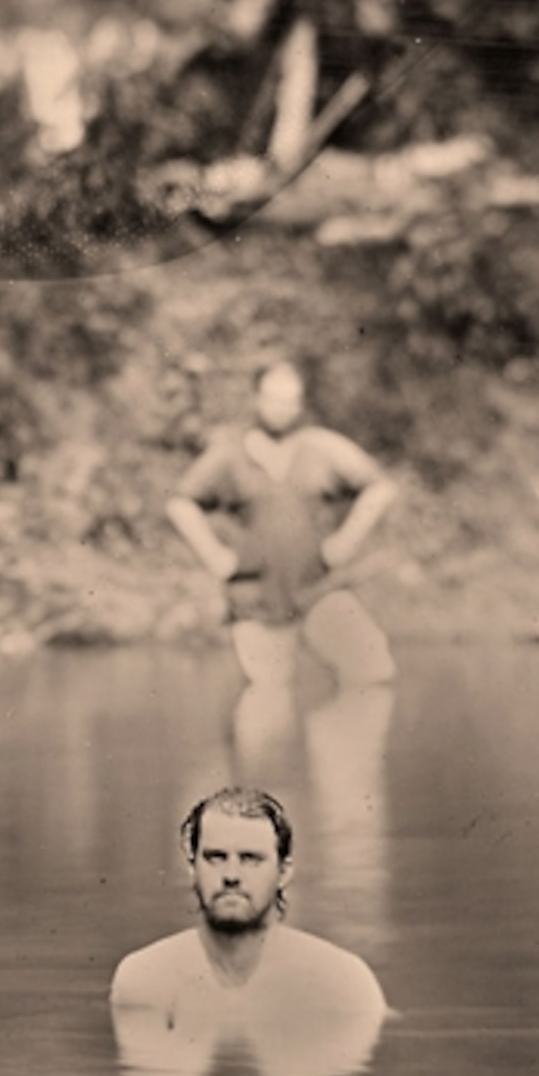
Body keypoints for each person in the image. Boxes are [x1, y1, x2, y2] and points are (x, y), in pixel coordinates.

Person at [164, 362, 399, 743]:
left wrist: (345, 543)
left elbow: (380, 488)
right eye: (273, 399)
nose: (281, 408)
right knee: (266, 701)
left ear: (301, 402)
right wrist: (215, 557)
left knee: (371, 673)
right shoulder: (230, 454)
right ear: (257, 399)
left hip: (318, 587)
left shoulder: (323, 447)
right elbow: (180, 503)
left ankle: (336, 773)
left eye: (290, 400)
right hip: (255, 596)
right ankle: (274, 787)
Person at [111, 785, 389, 1034]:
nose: (231, 874)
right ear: (192, 868)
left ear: (283, 872)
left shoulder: (342, 983)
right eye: (215, 857)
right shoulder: (144, 978)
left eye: (251, 859)